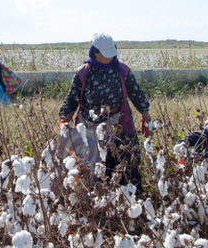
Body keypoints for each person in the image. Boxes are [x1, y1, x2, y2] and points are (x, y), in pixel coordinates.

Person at [59, 33, 152, 194]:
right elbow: (72, 98)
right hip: (88, 125)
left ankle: (126, 199)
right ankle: (89, 203)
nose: (110, 58)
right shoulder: (83, 72)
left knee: (125, 160)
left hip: (117, 122)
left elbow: (136, 93)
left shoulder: (122, 69)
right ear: (95, 52)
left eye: (112, 54)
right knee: (86, 166)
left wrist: (146, 115)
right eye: (105, 54)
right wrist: (64, 120)